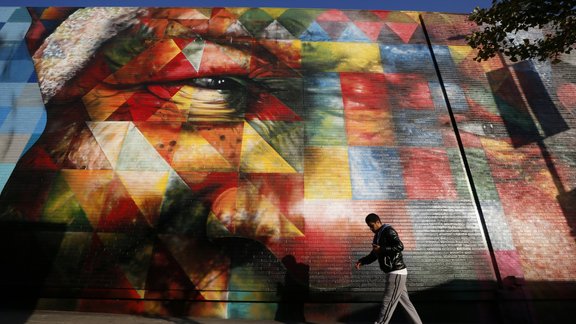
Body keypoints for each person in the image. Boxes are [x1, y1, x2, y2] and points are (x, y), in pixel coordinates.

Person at [355, 213, 422, 324]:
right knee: (406, 303)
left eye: (372, 225)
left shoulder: (388, 231)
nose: (371, 228)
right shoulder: (378, 235)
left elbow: (400, 246)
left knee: (388, 302)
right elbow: (374, 254)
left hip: (396, 272)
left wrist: (382, 249)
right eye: (369, 226)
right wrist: (362, 261)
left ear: (378, 222)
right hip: (395, 273)